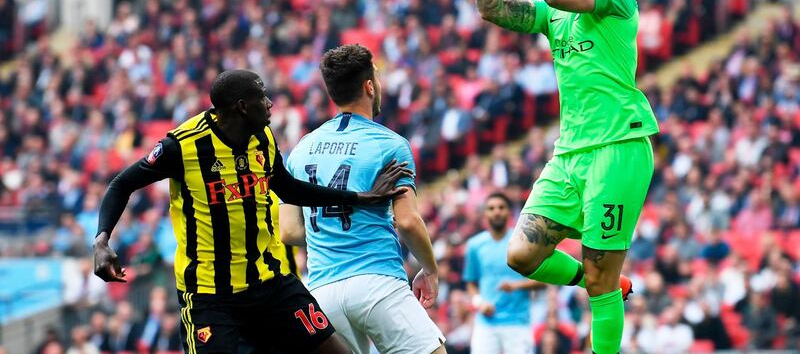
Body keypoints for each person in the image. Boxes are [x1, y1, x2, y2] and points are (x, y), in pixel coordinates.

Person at [460, 0, 658, 354]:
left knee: (598, 275)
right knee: (521, 255)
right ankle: (607, 283)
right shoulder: (555, 15)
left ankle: (605, 295)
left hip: (618, 147)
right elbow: (492, 9)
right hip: (569, 154)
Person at [93, 69, 411, 354]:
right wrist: (102, 241)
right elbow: (122, 184)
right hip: (210, 297)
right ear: (242, 107)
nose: (270, 103)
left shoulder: (263, 137)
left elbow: (288, 188)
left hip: (269, 283)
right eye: (262, 95)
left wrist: (359, 196)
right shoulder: (183, 146)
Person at [280, 44, 446, 354]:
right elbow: (407, 221)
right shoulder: (389, 144)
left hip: (322, 293)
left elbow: (288, 232)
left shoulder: (301, 149)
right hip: (377, 281)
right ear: (369, 86)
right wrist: (430, 269)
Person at [463, 192, 542, 354]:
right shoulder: (474, 245)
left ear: (509, 212)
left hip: (518, 323)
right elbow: (471, 283)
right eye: (491, 208)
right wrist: (479, 303)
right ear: (485, 213)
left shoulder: (523, 241)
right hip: (486, 324)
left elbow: (545, 281)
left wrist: (516, 285)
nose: (497, 211)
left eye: (501, 207)